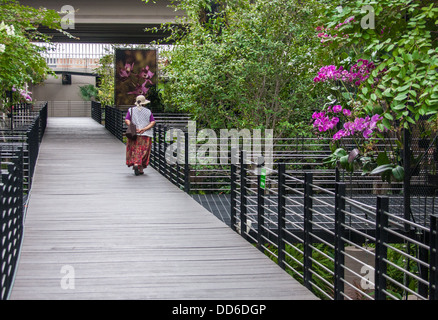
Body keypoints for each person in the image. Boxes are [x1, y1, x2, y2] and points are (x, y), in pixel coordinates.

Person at [125, 95, 156, 175]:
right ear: (144, 103)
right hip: (146, 134)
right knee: (144, 150)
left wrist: (133, 127)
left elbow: (127, 120)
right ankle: (139, 166)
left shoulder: (131, 110)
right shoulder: (148, 111)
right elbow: (152, 122)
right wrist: (144, 129)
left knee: (134, 149)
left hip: (134, 133)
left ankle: (137, 164)